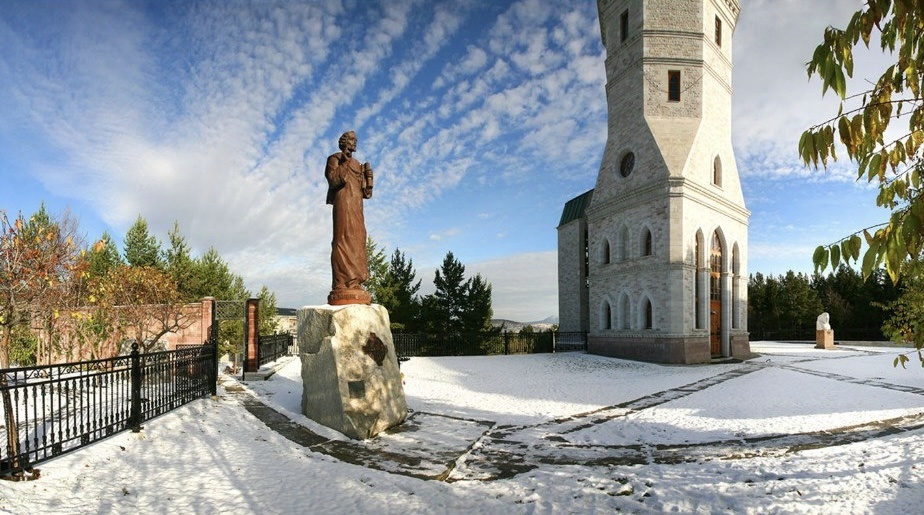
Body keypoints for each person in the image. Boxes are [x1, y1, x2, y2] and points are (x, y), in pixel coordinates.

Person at [325, 130, 373, 305]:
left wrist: (369, 179)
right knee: (343, 238)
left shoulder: (358, 164)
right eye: (352, 139)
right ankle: (341, 283)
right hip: (343, 203)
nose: (354, 142)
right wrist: (345, 163)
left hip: (356, 205)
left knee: (358, 238)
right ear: (344, 142)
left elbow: (366, 193)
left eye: (355, 140)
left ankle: (355, 281)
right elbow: (332, 179)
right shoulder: (335, 159)